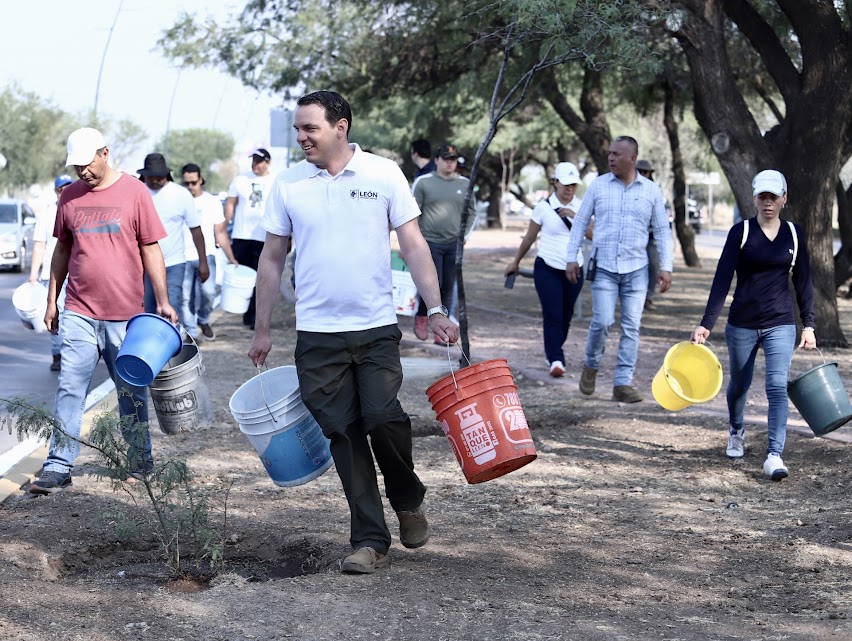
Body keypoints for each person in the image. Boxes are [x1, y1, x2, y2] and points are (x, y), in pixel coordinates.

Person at [249, 90, 459, 574]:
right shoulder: (289, 183)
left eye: (310, 129)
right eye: (298, 129)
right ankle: (369, 538)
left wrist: (437, 309)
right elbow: (273, 258)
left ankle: (407, 498)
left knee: (383, 417)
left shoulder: (383, 173)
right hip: (318, 336)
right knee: (343, 434)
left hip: (375, 328)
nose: (301, 138)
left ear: (340, 127)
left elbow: (413, 244)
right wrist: (261, 330)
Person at [29, 127, 178, 495]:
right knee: (69, 387)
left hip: (125, 315)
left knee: (130, 390)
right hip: (79, 309)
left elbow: (151, 249)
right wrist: (52, 299)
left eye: (87, 163)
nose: (83, 172)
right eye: (76, 166)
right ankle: (58, 465)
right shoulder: (70, 198)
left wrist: (162, 300)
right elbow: (62, 250)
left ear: (105, 153)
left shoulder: (135, 193)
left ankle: (140, 462)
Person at [691, 169, 815, 481]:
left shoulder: (794, 235)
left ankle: (775, 453)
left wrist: (809, 324)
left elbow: (803, 283)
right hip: (742, 323)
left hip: (780, 323)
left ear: (784, 198)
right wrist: (707, 323)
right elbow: (722, 279)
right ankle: (736, 429)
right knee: (739, 385)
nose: (768, 202)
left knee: (776, 385)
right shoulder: (741, 232)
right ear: (755, 198)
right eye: (763, 196)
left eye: (774, 196)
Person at [566, 136, 673, 403]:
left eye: (617, 154)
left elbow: (662, 231)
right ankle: (591, 365)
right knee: (602, 321)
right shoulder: (599, 186)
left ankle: (622, 383)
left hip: (637, 270)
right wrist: (571, 257)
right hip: (604, 268)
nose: (611, 158)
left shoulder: (651, 191)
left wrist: (666, 267)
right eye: (610, 153)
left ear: (632, 158)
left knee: (631, 327)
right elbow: (579, 224)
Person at [504, 162, 591, 378]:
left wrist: (574, 215)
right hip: (547, 266)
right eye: (565, 183)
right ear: (555, 182)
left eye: (573, 184)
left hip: (574, 267)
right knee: (552, 313)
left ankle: (554, 350)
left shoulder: (582, 206)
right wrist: (516, 261)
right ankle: (555, 358)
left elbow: (593, 234)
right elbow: (530, 237)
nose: (569, 188)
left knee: (566, 314)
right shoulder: (543, 207)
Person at [410, 143, 475, 345]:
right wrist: (415, 239)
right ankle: (422, 316)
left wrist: (464, 236)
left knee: (448, 285)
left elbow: (472, 212)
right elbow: (412, 212)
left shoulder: (465, 184)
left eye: (453, 159)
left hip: (453, 243)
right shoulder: (423, 182)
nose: (449, 163)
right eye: (445, 159)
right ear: (436, 160)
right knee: (432, 282)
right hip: (430, 241)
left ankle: (442, 328)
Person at [137, 153, 208, 319]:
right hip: (143, 265)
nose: (155, 181)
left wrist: (203, 262)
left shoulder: (181, 194)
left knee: (172, 308)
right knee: (147, 311)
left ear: (166, 174)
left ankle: (176, 344)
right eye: (150, 177)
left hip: (173, 263)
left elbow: (196, 230)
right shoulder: (137, 193)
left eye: (159, 177)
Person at [180, 163, 238, 340]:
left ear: (201, 180)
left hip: (207, 254)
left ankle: (203, 319)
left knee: (208, 292)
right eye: (187, 183)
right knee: (185, 298)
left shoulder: (211, 202)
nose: (190, 187)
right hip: (182, 256)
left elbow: (220, 232)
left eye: (193, 182)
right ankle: (191, 331)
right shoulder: (179, 199)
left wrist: (231, 257)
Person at [225, 147, 275, 330]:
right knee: (244, 276)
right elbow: (230, 204)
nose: (255, 164)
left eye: (259, 161)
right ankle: (244, 313)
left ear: (267, 162)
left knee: (261, 278)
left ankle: (256, 316)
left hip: (264, 236)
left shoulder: (275, 180)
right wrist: (225, 223)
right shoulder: (241, 180)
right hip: (242, 235)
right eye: (253, 160)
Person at [29, 174, 75, 371]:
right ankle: (58, 354)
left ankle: (70, 354)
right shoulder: (47, 214)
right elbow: (40, 245)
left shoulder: (78, 207)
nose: (65, 192)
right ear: (56, 192)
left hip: (75, 272)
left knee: (71, 316)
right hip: (53, 273)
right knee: (56, 313)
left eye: (69, 187)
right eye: (61, 189)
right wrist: (33, 275)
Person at [636, 159, 662, 311]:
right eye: (641, 171)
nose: (644, 174)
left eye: (646, 172)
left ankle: (648, 296)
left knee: (653, 266)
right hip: (634, 239)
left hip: (650, 238)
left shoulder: (654, 191)